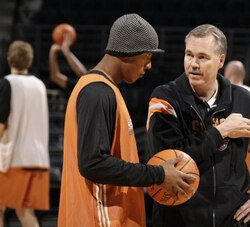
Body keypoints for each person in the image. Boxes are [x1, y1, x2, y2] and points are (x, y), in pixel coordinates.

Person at [58, 14, 195, 227]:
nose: (149, 66)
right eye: (147, 57)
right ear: (130, 53)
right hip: (99, 219)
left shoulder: (104, 89)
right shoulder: (97, 93)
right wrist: (157, 174)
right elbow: (93, 163)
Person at [146, 24, 250, 226]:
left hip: (232, 220)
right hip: (178, 220)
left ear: (220, 60)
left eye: (202, 57)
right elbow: (168, 159)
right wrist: (222, 131)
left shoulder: (245, 101)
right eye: (189, 55)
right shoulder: (165, 99)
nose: (193, 63)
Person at [0, 40, 49, 227]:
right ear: (30, 61)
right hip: (38, 160)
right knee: (25, 212)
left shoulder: (6, 84)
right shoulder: (40, 86)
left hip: (13, 159)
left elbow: (1, 125)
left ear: (8, 59)